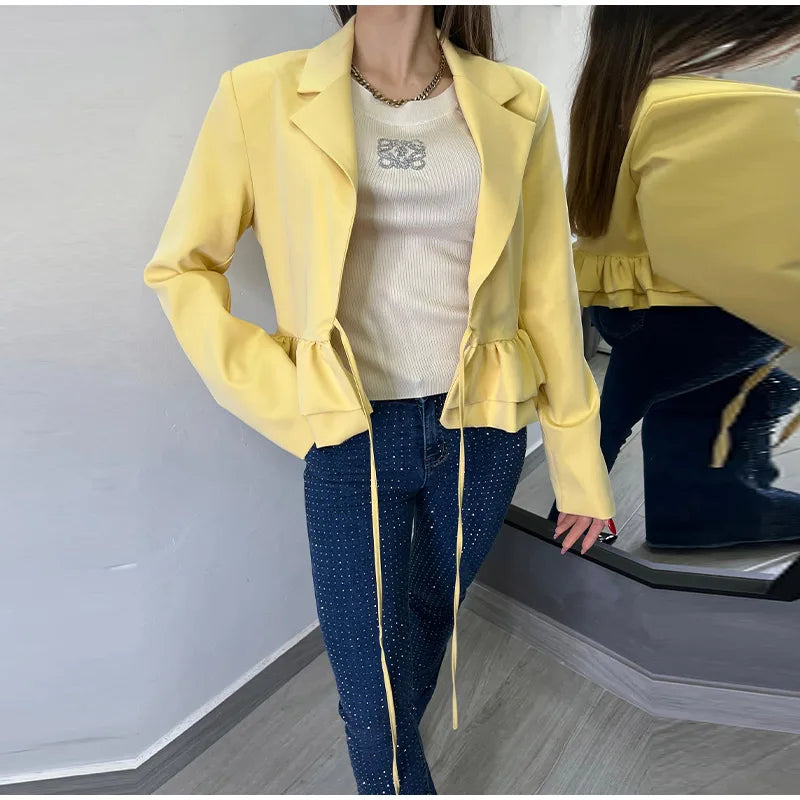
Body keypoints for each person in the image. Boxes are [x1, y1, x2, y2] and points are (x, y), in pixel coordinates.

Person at [143, 6, 614, 793]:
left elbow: (546, 290)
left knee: (428, 616)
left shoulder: (515, 100)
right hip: (348, 429)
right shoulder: (258, 95)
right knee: (366, 684)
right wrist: (280, 390)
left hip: (481, 427)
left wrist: (579, 466)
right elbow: (181, 268)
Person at [563, 7, 800, 548]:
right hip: (694, 312)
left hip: (633, 307)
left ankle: (684, 508)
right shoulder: (701, 106)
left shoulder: (625, 96)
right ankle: (709, 506)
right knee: (743, 383)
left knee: (622, 412)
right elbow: (735, 257)